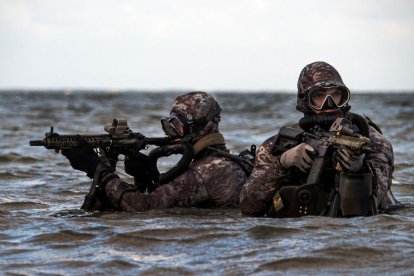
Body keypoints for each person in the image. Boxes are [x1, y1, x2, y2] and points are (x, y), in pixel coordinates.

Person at [240, 61, 402, 217]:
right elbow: (248, 205)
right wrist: (282, 163)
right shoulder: (278, 144)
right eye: (319, 96)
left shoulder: (373, 142)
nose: (329, 103)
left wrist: (359, 170)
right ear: (305, 101)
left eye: (336, 94)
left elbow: (374, 204)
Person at [62, 92, 248, 211]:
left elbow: (142, 208)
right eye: (169, 126)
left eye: (178, 127)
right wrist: (143, 177)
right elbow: (169, 202)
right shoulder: (218, 163)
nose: (173, 134)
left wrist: (96, 168)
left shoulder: (206, 171)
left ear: (202, 128)